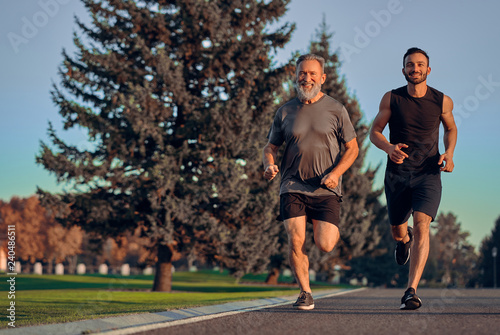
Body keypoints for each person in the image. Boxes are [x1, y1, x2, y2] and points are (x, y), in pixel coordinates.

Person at [262, 54, 359, 310]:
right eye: (302, 73)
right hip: (292, 185)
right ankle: (305, 292)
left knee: (325, 244)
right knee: (295, 241)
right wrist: (269, 164)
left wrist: (336, 173)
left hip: (326, 188)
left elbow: (352, 149)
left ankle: (326, 232)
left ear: (322, 78)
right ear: (296, 77)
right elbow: (270, 147)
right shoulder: (285, 111)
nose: (307, 78)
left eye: (312, 74)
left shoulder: (336, 109)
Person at [370, 47, 457, 310]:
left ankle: (411, 290)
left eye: (420, 65)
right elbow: (375, 131)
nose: (415, 69)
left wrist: (449, 153)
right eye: (410, 65)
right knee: (399, 229)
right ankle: (402, 240)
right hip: (397, 175)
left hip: (428, 174)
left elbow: (451, 127)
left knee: (422, 225)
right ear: (404, 70)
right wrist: (388, 148)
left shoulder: (442, 101)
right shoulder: (392, 98)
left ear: (428, 70)